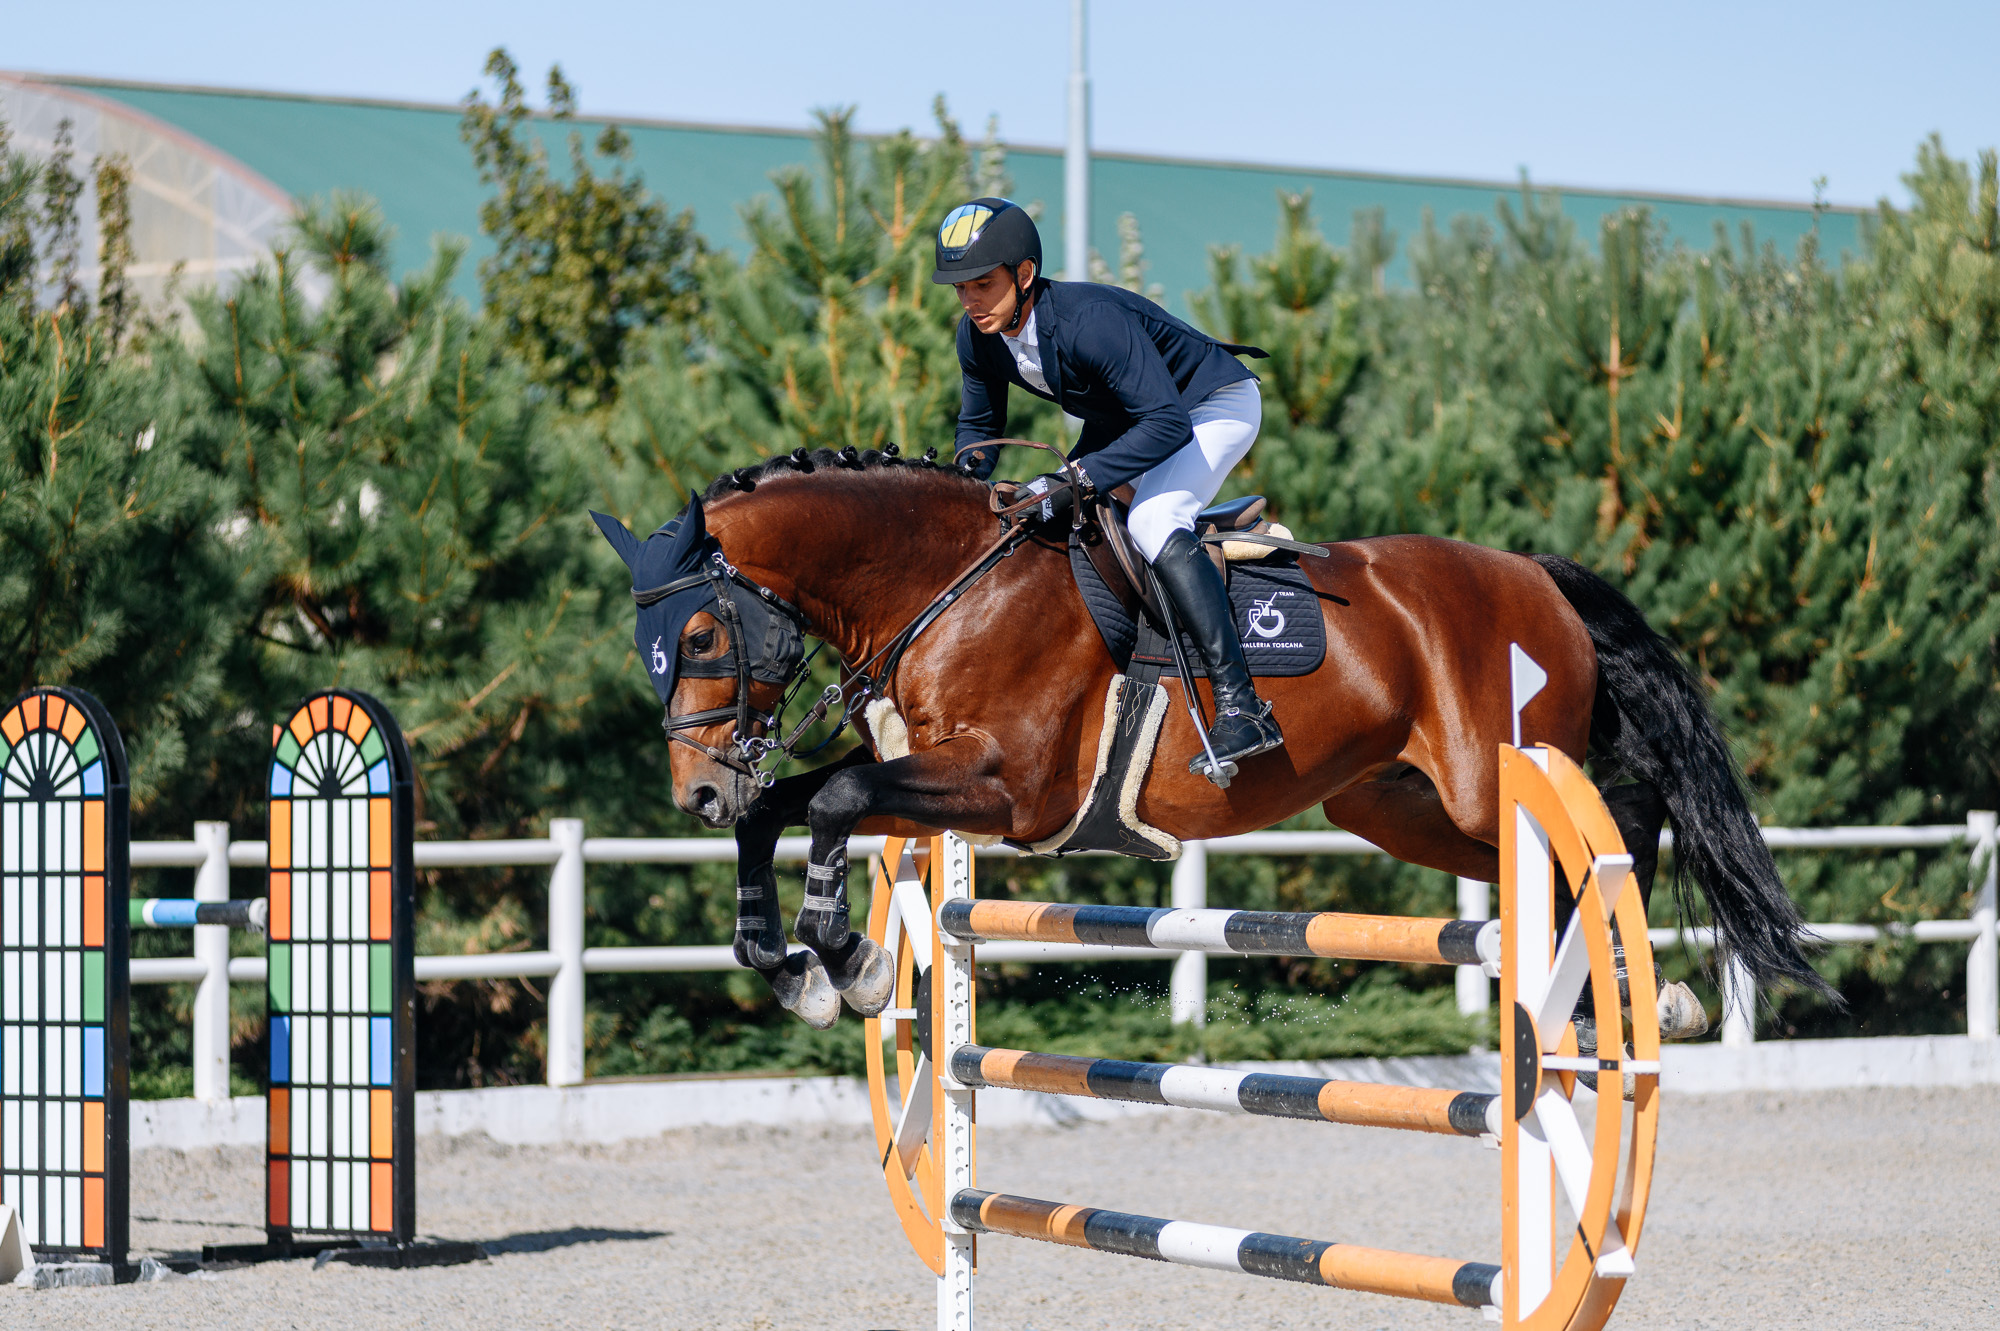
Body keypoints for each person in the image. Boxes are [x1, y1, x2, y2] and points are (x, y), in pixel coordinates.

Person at [934, 196, 1283, 780]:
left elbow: (1167, 423)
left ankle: (1242, 707)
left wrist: (1075, 477)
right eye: (961, 288)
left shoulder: (1088, 322)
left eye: (983, 284)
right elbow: (979, 431)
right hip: (1133, 417)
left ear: (1025, 274)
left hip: (1208, 405)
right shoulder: (979, 337)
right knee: (1053, 518)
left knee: (1154, 518)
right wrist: (961, 493)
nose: (970, 300)